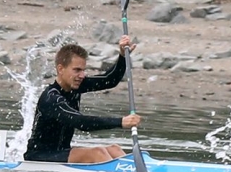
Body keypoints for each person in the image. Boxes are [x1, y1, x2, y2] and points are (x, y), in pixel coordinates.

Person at [23, 35, 142, 163]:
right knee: (98, 153)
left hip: (61, 152)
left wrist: (123, 56)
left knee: (115, 149)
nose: (82, 75)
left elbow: (110, 80)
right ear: (60, 69)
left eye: (83, 70)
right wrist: (121, 122)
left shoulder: (76, 85)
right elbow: (81, 122)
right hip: (39, 157)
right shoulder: (51, 98)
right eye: (77, 70)